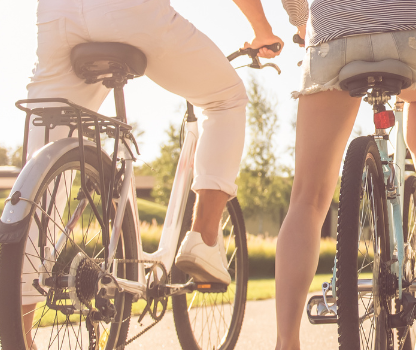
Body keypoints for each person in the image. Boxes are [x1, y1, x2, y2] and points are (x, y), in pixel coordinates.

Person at [20, 0, 282, 344]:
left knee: (38, 190)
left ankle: (19, 336)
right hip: (127, 12)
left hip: (57, 15)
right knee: (226, 98)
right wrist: (261, 30)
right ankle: (204, 239)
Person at [275, 1, 416, 348]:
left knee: (307, 200)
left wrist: (304, 26)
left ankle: (286, 341)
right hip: (410, 35)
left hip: (333, 37)